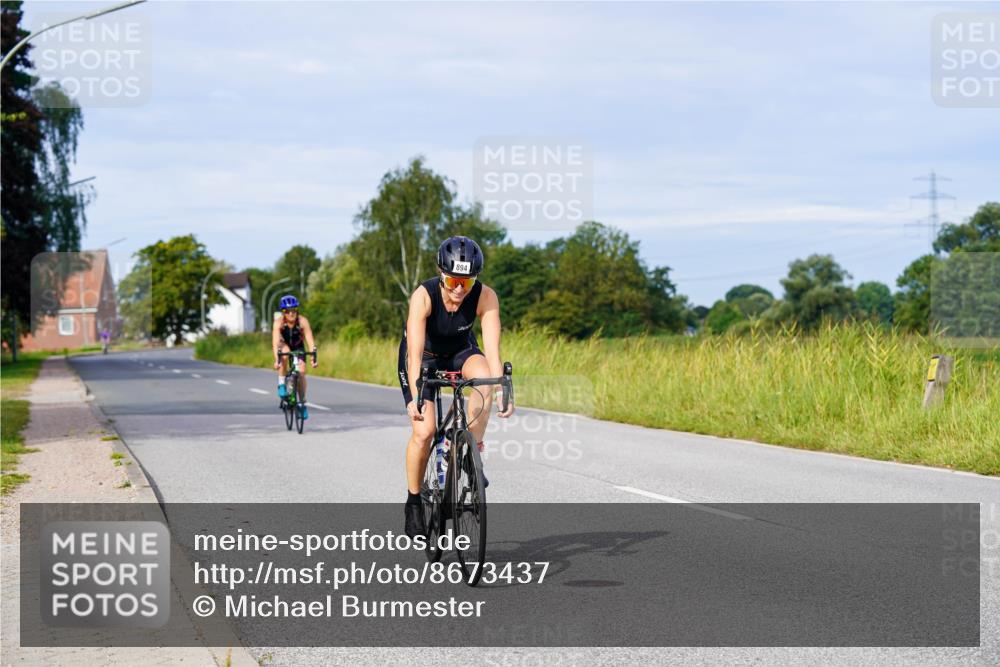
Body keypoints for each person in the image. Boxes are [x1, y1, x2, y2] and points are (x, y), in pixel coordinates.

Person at [398, 236, 514, 538]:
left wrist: (502, 389)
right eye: (452, 280)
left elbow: (492, 352)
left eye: (467, 281)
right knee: (424, 433)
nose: (460, 289)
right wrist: (414, 396)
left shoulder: (485, 296)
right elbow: (413, 354)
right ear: (441, 273)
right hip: (423, 357)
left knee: (484, 381)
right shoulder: (423, 296)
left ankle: (469, 451)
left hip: (461, 350)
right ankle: (413, 502)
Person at [271, 295, 317, 419]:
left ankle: (301, 403)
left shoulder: (303, 321)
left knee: (301, 371)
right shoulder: (278, 323)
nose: (292, 314)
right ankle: (281, 383)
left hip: (298, 346)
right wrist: (277, 360)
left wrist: (313, 357)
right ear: (284, 312)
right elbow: (275, 343)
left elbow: (310, 341)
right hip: (284, 344)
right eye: (288, 311)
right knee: (284, 355)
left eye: (294, 310)